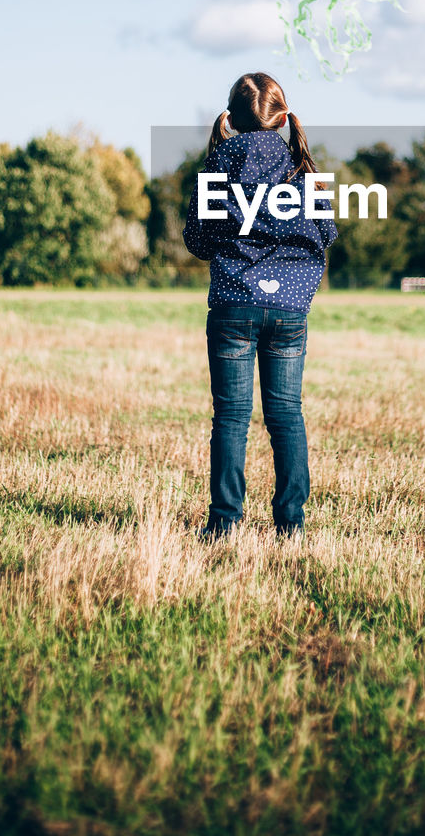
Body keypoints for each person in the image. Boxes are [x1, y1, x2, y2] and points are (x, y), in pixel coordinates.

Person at [183, 71, 337, 541]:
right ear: (282, 117)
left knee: (230, 417)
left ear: (230, 118)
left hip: (233, 305)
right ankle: (291, 526)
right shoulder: (301, 170)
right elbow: (325, 235)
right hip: (289, 311)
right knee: (286, 415)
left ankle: (224, 523)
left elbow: (196, 238)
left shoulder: (217, 166)